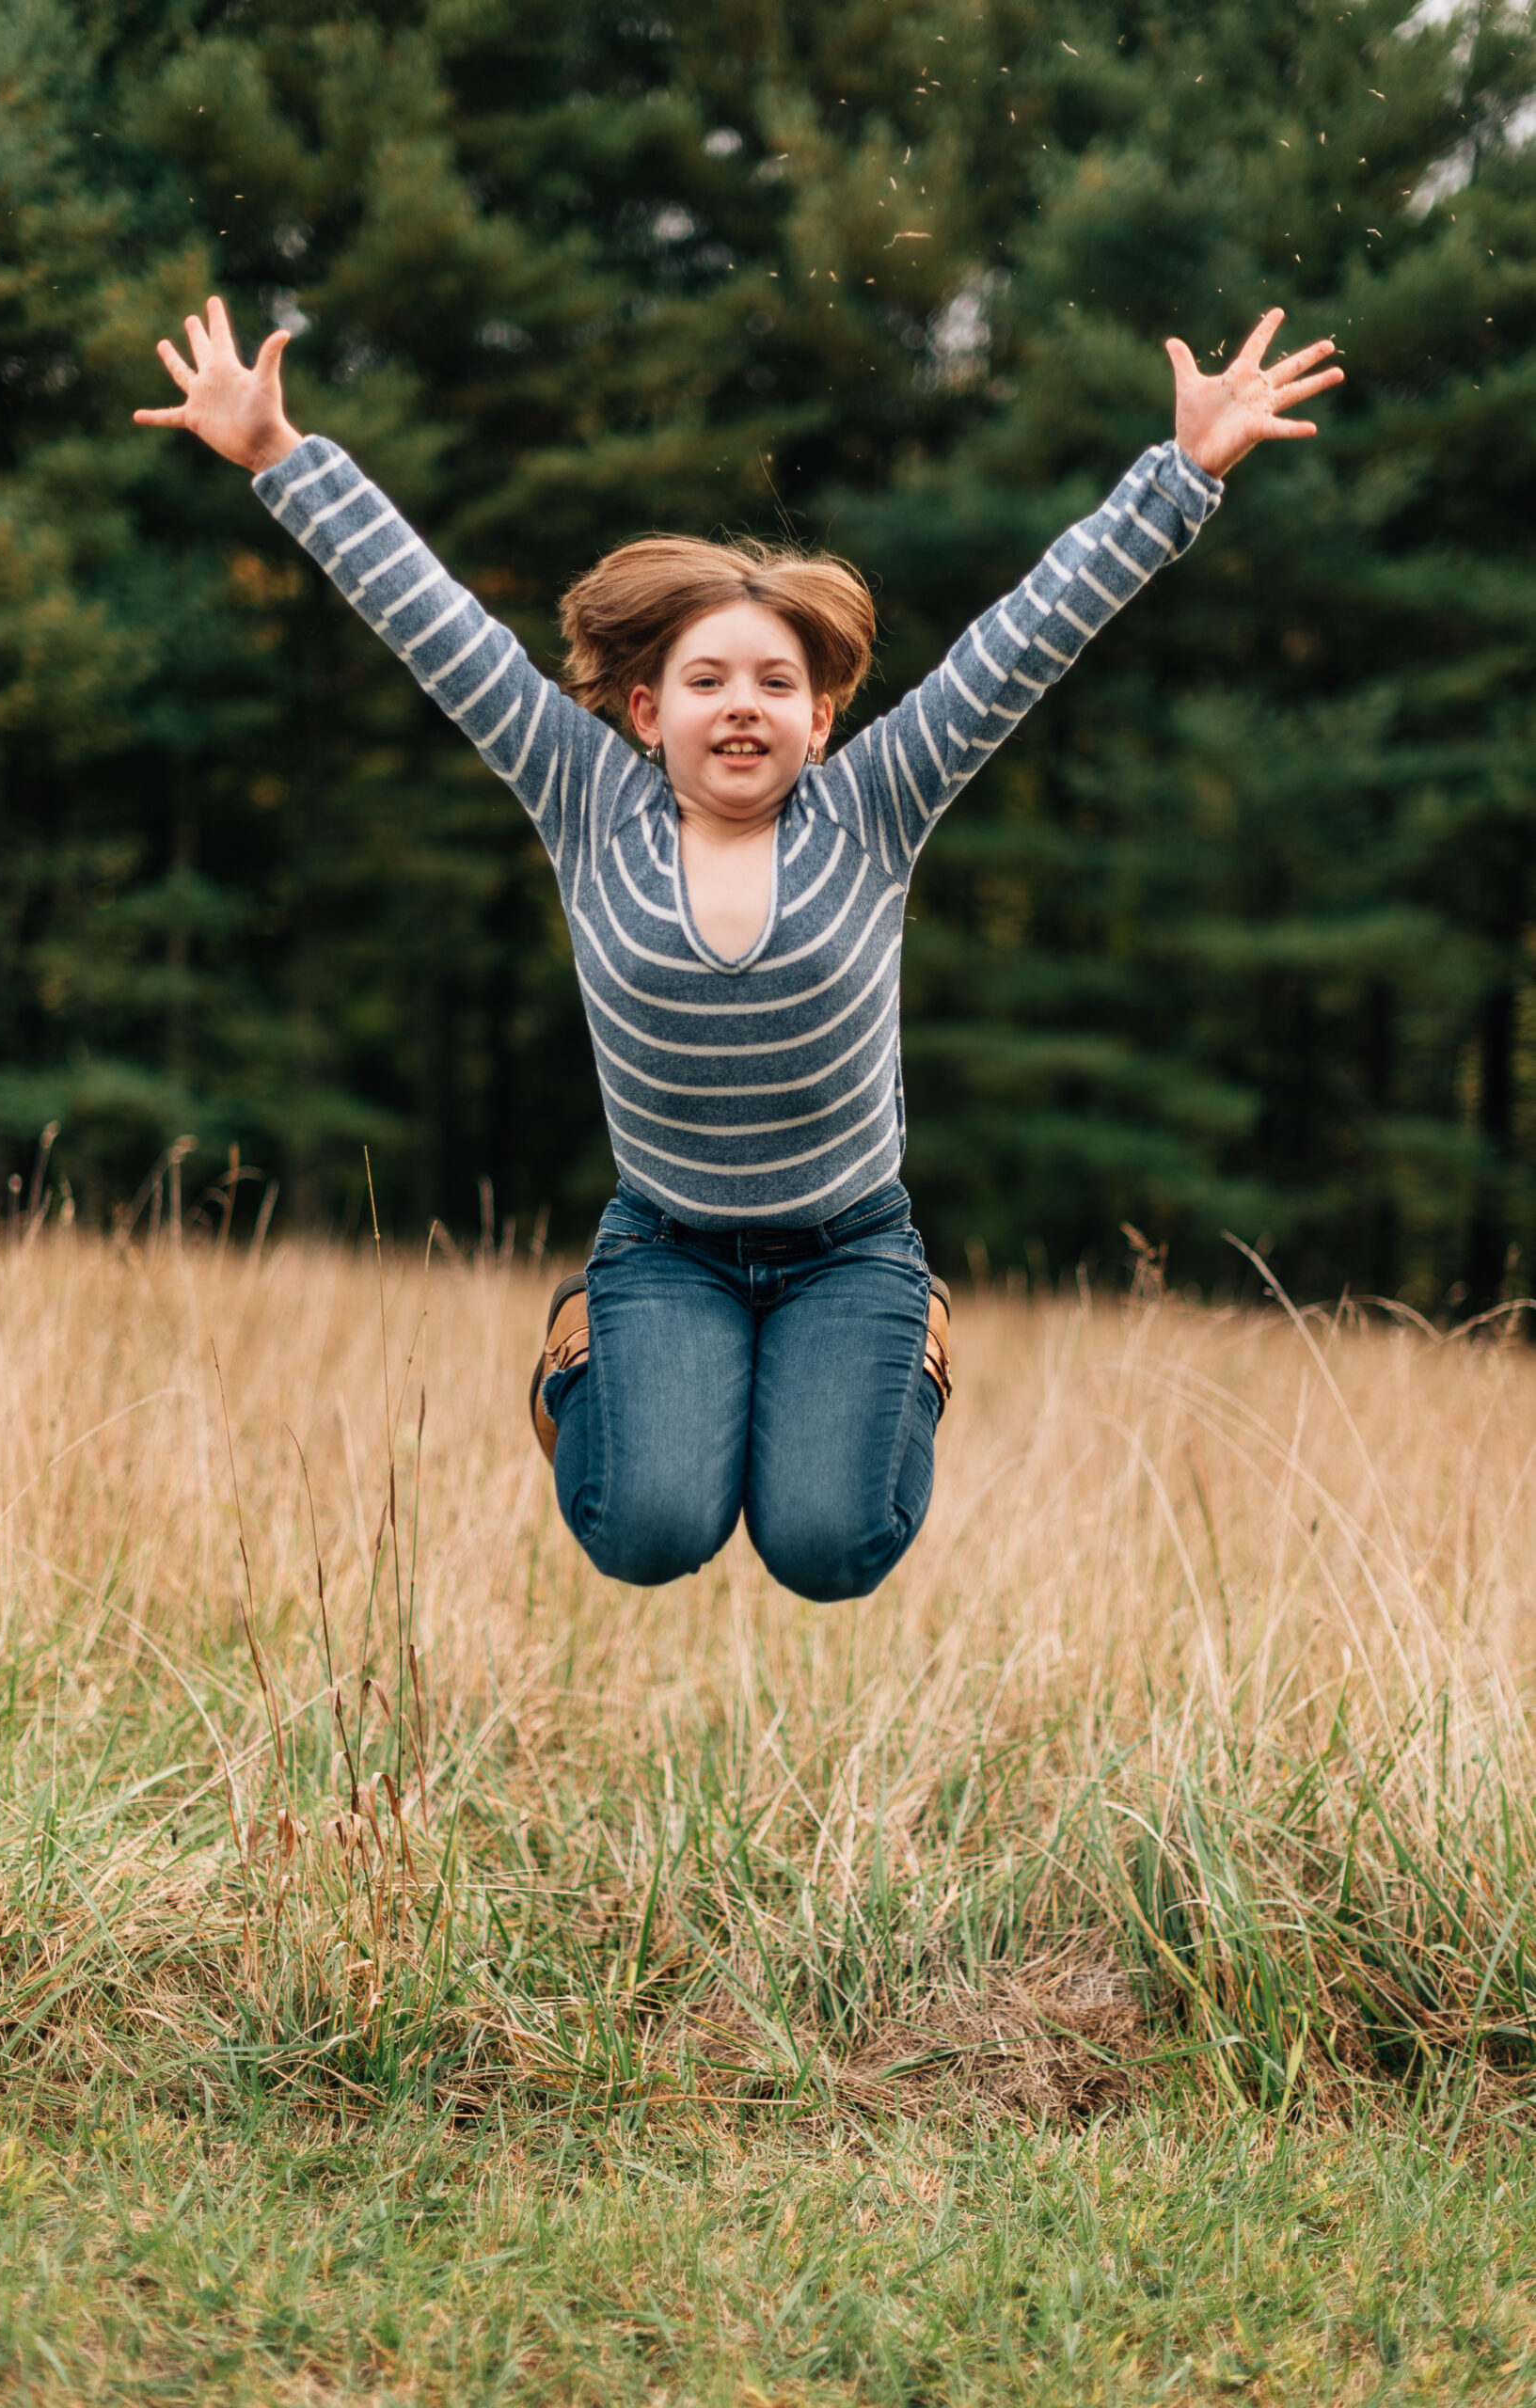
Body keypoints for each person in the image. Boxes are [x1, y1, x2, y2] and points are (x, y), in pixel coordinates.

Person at [135, 297, 1339, 1601]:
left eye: (775, 683)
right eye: (708, 681)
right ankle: (586, 1353)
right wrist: (279, 459)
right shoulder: (587, 801)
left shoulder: (873, 804)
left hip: (851, 1243)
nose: (742, 706)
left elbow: (1026, 637)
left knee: (831, 1549)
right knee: (643, 1531)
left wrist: (1180, 475)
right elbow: (436, 626)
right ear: (648, 711)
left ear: (822, 719)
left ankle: (902, 1354)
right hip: (667, 1246)